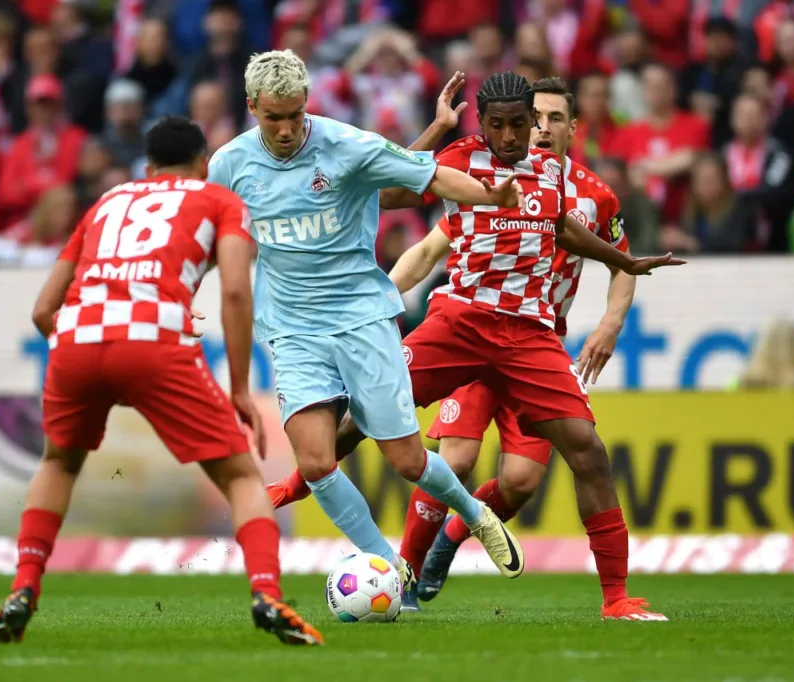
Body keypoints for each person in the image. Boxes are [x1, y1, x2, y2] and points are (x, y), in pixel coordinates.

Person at [267, 72, 683, 619]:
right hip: (460, 321)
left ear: (534, 123)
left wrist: (621, 260)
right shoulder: (457, 160)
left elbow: (559, 226)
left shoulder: (553, 170)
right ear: (481, 124)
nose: (510, 137)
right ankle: (303, 480)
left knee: (588, 451)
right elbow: (387, 192)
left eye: (520, 124)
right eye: (497, 126)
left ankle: (616, 599)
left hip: (531, 334)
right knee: (372, 406)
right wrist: (435, 132)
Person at [207, 50, 530, 607]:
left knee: (406, 461)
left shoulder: (345, 145)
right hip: (292, 328)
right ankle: (389, 569)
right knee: (314, 462)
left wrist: (490, 195)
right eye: (272, 118)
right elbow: (207, 233)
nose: (285, 130)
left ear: (307, 103)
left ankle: (476, 515)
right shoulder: (228, 165)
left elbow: (427, 174)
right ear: (252, 107)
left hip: (362, 317)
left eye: (294, 115)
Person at [0, 116, 323, 647]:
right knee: (240, 475)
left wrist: (94, 350)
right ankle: (267, 595)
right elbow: (236, 292)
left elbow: (42, 310)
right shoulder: (218, 200)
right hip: (156, 340)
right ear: (203, 164)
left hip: (76, 335)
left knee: (58, 462)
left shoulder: (106, 203)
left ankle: (23, 587)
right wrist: (239, 388)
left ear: (147, 168)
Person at [411, 78, 665, 621]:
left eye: (552, 118)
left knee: (522, 482)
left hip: (535, 339)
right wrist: (387, 291)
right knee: (454, 457)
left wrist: (611, 323)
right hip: (472, 329)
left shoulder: (594, 195)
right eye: (537, 117)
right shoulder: (478, 171)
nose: (542, 128)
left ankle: (456, 532)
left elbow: (618, 259)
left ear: (572, 128)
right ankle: (405, 576)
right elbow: (431, 244)